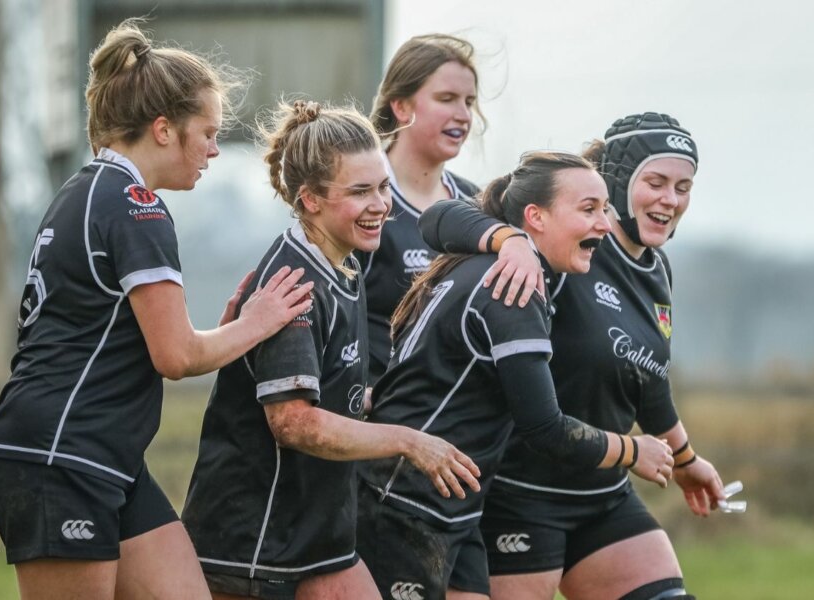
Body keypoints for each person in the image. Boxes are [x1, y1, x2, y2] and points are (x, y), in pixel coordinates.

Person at [0, 19, 316, 599]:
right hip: (62, 455)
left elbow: (125, 333)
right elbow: (176, 355)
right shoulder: (136, 207)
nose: (216, 148)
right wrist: (256, 323)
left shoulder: (85, 190)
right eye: (208, 133)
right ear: (164, 129)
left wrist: (234, 325)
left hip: (102, 455)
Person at [181, 100, 482, 600]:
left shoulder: (345, 264)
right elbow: (294, 422)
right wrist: (407, 441)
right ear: (311, 199)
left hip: (318, 537)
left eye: (384, 187)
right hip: (254, 541)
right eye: (360, 191)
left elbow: (338, 393)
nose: (381, 204)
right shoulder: (295, 283)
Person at [419, 112, 727, 600]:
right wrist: (510, 239)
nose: (670, 199)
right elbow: (439, 219)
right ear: (619, 181)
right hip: (521, 498)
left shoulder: (657, 269)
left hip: (603, 496)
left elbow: (647, 378)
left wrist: (685, 458)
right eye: (657, 182)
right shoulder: (565, 244)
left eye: (683, 187)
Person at [356, 151, 675, 600]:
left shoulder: (492, 259)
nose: (605, 223)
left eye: (605, 208)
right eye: (589, 210)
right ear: (535, 217)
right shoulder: (514, 288)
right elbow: (545, 429)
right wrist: (631, 450)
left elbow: (436, 219)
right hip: (405, 502)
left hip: (453, 507)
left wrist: (509, 239)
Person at [359, 33, 484, 384]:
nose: (462, 115)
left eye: (469, 102)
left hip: (451, 415)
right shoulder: (361, 196)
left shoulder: (476, 204)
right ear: (401, 107)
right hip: (375, 413)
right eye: (446, 99)